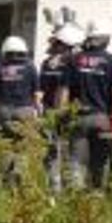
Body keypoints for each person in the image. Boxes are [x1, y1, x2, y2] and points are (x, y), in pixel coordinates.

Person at [66, 27, 112, 189]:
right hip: (101, 118)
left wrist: (60, 114)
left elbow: (64, 90)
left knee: (77, 161)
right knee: (100, 162)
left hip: (77, 117)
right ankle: (97, 196)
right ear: (103, 39)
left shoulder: (74, 59)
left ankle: (76, 199)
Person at [37, 24, 75, 191]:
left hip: (48, 111)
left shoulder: (46, 63)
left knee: (51, 151)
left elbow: (40, 90)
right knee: (66, 151)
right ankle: (67, 188)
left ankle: (54, 188)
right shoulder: (73, 63)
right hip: (66, 112)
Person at [0, 36, 39, 131]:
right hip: (25, 110)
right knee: (26, 139)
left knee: (4, 140)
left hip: (4, 110)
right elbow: (36, 93)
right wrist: (38, 111)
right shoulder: (31, 67)